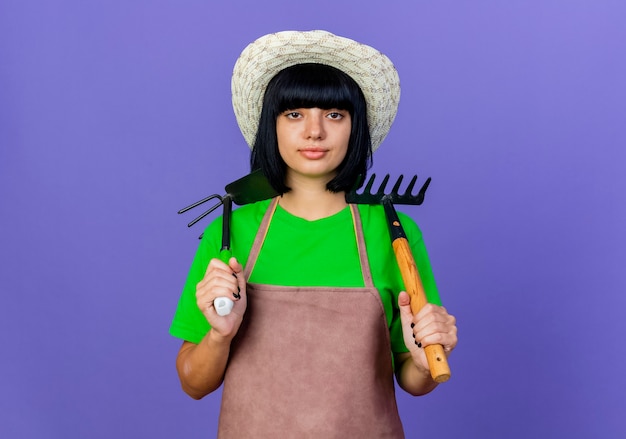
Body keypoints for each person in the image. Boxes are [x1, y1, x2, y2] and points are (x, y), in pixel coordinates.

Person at [170, 30, 457, 438]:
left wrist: (424, 359)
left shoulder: (393, 231)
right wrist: (220, 335)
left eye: (334, 115)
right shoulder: (232, 232)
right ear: (271, 126)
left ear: (356, 128)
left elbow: (414, 381)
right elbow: (193, 383)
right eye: (294, 114)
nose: (314, 132)